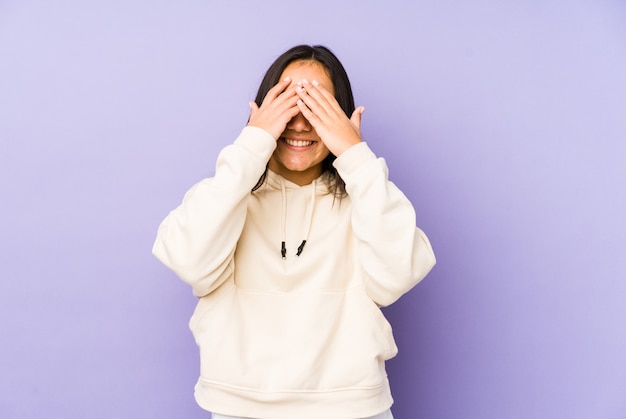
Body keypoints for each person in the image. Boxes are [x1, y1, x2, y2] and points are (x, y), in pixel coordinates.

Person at [152, 44, 436, 419]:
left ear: (342, 116)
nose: (300, 122)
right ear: (261, 112)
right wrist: (251, 145)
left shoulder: (369, 199)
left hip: (352, 407)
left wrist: (356, 155)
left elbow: (396, 275)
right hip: (240, 407)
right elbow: (189, 260)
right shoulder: (226, 196)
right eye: (288, 102)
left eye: (316, 105)